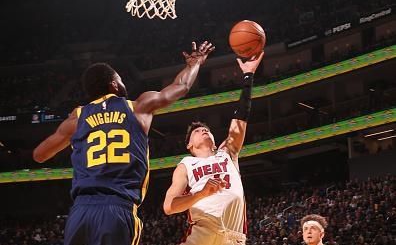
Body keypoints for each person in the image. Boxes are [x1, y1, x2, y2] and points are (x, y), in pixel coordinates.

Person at [33, 41, 214, 245]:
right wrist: (194, 64)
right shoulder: (138, 107)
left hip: (80, 212)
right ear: (114, 83)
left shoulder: (77, 118)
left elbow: (39, 155)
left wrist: (75, 131)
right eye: (120, 79)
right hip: (117, 208)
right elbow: (182, 86)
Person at [163, 52, 264, 245]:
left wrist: (248, 77)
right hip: (203, 233)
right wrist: (201, 194)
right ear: (189, 145)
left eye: (206, 130)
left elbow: (241, 116)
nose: (203, 130)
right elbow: (169, 206)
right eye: (198, 131)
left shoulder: (227, 152)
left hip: (234, 237)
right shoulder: (186, 164)